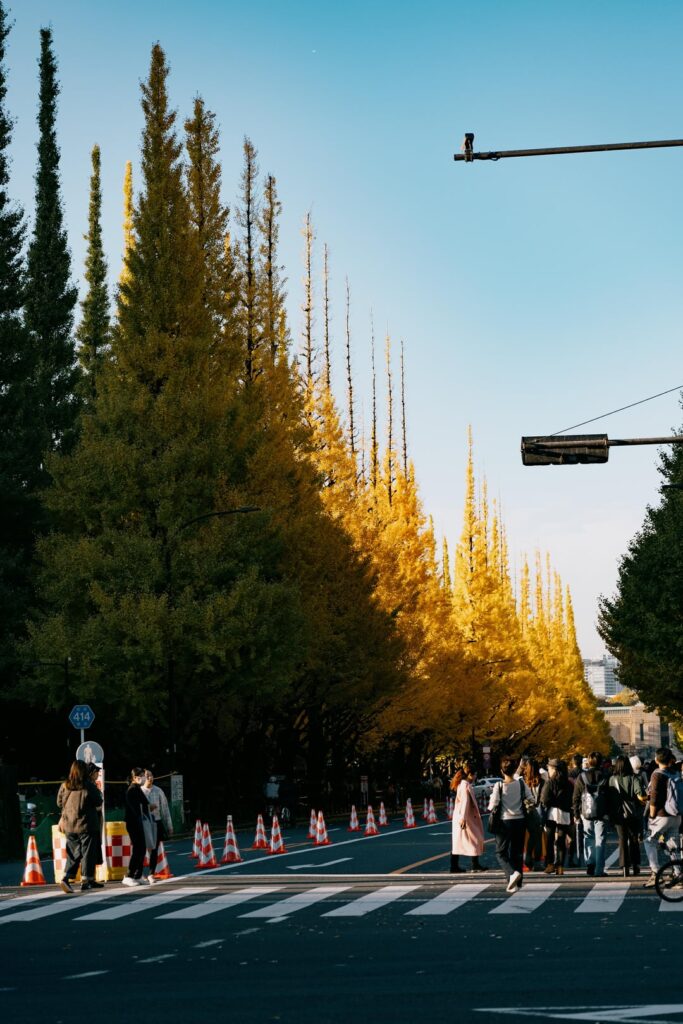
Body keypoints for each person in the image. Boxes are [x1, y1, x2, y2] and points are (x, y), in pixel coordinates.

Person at [56, 759, 103, 893]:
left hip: (69, 825)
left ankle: (66, 878)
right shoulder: (88, 785)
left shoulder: (65, 785)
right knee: (88, 853)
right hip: (87, 825)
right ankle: (86, 880)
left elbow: (59, 803)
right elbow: (98, 801)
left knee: (73, 853)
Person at [488, 756, 533, 893]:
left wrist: (493, 800)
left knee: (500, 852)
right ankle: (517, 883)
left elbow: (493, 805)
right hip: (520, 821)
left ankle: (512, 874)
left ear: (502, 771)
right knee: (517, 852)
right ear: (514, 770)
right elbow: (531, 799)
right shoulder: (520, 784)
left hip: (504, 821)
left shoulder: (499, 785)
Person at [643, 747, 682, 888]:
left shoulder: (657, 774)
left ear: (656, 759)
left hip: (661, 815)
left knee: (649, 840)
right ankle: (678, 874)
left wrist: (651, 816)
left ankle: (655, 872)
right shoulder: (676, 773)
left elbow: (653, 798)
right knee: (673, 844)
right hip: (676, 815)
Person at [607, 755, 646, 877]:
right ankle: (636, 865)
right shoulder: (633, 778)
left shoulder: (612, 779)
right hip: (632, 812)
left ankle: (624, 866)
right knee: (634, 838)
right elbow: (640, 794)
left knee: (622, 839)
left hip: (618, 813)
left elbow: (610, 797)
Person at [572, 751, 609, 877]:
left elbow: (576, 797)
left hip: (586, 811)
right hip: (602, 812)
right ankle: (599, 869)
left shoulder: (581, 777)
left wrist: (576, 814)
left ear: (589, 761)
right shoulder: (605, 775)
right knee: (600, 839)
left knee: (588, 837)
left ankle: (590, 864)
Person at [450, 762, 487, 873]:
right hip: (466, 818)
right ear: (470, 774)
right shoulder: (466, 785)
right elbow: (465, 802)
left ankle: (454, 866)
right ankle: (474, 865)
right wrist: (464, 818)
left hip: (461, 816)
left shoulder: (462, 784)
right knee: (475, 838)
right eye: (475, 774)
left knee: (458, 842)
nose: (476, 777)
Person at [540, 759, 573, 875]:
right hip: (564, 813)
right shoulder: (568, 783)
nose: (548, 770)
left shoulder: (550, 782)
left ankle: (550, 864)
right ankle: (560, 866)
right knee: (561, 840)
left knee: (550, 840)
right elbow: (571, 799)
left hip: (551, 813)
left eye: (549, 768)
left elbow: (544, 799)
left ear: (554, 769)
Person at [123, 767, 154, 887]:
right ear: (135, 777)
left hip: (139, 821)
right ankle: (129, 875)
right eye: (141, 776)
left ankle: (138, 874)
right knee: (138, 848)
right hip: (133, 822)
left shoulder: (137, 789)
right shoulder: (131, 790)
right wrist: (147, 808)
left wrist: (148, 807)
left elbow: (145, 803)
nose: (144, 778)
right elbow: (136, 808)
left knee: (141, 848)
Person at [142, 770, 173, 883]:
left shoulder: (158, 791)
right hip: (144, 822)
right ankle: (140, 874)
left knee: (154, 849)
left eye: (151, 775)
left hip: (156, 821)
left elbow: (165, 809)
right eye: (147, 776)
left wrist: (169, 825)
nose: (150, 777)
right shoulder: (140, 791)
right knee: (141, 849)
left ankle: (151, 873)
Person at [522, 759, 545, 872]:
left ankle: (528, 858)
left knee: (531, 836)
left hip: (526, 812)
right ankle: (536, 861)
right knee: (537, 837)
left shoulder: (523, 781)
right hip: (538, 811)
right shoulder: (542, 780)